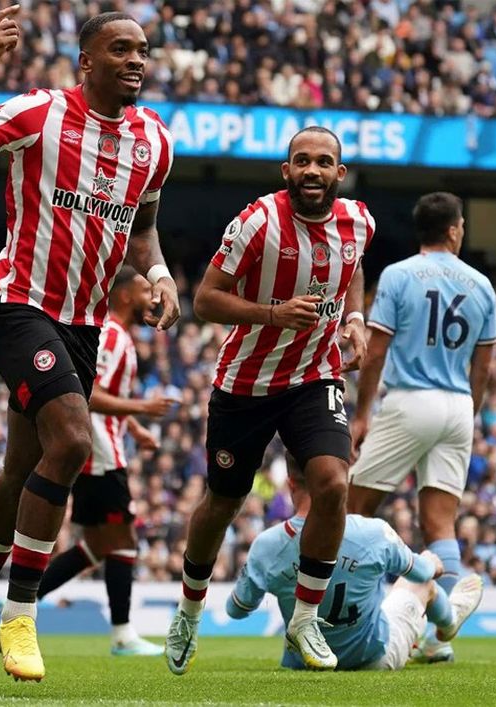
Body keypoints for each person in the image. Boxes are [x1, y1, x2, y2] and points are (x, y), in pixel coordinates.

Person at [0, 7, 179, 683]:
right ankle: (20, 614)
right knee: (70, 440)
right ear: (86, 62)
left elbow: (143, 226)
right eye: (120, 49)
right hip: (19, 306)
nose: (136, 60)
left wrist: (158, 273)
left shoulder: (155, 141)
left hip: (83, 325)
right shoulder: (39, 113)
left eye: (142, 50)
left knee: (20, 471)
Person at [165, 126, 374, 674]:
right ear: (287, 171)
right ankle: (189, 609)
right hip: (246, 384)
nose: (312, 171)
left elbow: (352, 267)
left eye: (323, 162)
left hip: (315, 377)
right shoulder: (258, 221)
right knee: (223, 502)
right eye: (302, 161)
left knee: (333, 484)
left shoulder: (359, 220)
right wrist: (273, 314)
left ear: (339, 173)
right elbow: (205, 300)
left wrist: (354, 318)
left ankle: (304, 618)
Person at [346, 192, 496, 663]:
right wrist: (469, 412)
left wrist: (363, 413)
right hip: (457, 405)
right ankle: (438, 638)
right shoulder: (482, 285)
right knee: (439, 523)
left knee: (353, 509)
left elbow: (376, 352)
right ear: (454, 229)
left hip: (411, 398)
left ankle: (354, 618)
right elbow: (484, 366)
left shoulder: (398, 275)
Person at [35, 267, 174, 657]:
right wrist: (141, 408)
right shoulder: (111, 336)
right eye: (146, 290)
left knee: (98, 546)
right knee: (123, 540)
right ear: (126, 295)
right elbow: (86, 394)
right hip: (100, 452)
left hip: (104, 447)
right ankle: (123, 636)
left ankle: (21, 596)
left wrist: (134, 427)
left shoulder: (119, 336)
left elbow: (105, 393)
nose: (153, 298)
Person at [226, 463, 483, 671]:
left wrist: (259, 577)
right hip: (373, 658)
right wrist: (431, 562)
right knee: (422, 581)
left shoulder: (267, 545)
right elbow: (423, 573)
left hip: (302, 663)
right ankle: (447, 624)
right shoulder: (373, 532)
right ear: (341, 479)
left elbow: (237, 610)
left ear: (291, 483)